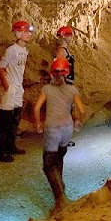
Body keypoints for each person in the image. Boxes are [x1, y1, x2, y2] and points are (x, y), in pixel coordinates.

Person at [34, 56, 85, 210]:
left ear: (51, 73)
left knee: (48, 164)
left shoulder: (47, 89)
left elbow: (37, 108)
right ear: (67, 73)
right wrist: (78, 122)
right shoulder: (72, 90)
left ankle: (60, 198)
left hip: (52, 129)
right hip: (67, 129)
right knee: (59, 156)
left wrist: (38, 123)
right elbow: (81, 110)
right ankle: (60, 185)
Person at [0, 19, 33, 163]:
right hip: (11, 87)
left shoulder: (24, 50)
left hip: (18, 87)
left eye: (29, 31)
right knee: (5, 120)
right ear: (18, 33)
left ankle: (10, 146)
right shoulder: (12, 50)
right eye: (25, 31)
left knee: (15, 118)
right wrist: (7, 86)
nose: (29, 34)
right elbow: (0, 67)